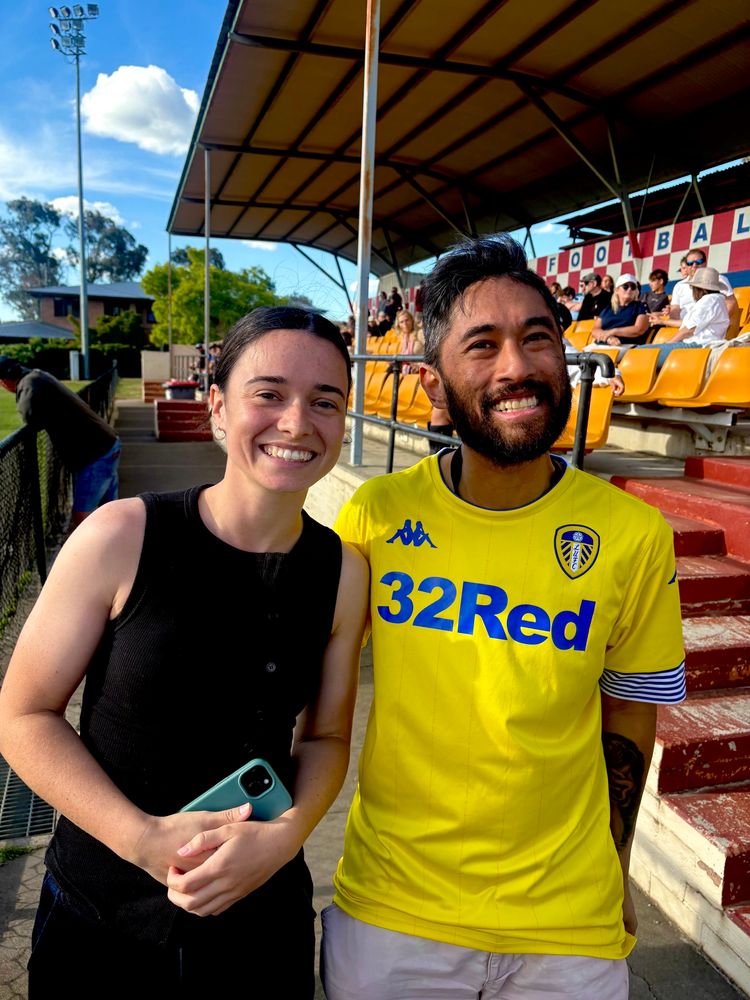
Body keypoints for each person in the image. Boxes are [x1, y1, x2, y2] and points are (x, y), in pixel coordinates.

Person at [321, 235, 685, 1000]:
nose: (516, 366)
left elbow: (629, 712)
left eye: (537, 337)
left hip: (569, 929)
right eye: (482, 345)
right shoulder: (377, 514)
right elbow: (305, 687)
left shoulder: (633, 534)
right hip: (395, 910)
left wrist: (615, 868)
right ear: (432, 385)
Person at [0, 308, 368, 998]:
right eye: (269, 394)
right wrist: (139, 837)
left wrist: (288, 836)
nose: (297, 422)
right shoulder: (122, 535)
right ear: (219, 409)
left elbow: (326, 735)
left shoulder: (343, 572)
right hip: (100, 917)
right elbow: (21, 715)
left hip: (259, 921)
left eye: (326, 402)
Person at [0, 356, 120, 529]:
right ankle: (118, 548)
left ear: (4, 382)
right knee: (110, 511)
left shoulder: (30, 382)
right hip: (106, 444)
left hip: (96, 454)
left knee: (83, 516)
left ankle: (92, 553)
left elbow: (29, 415)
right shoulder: (37, 375)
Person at [639, 266, 730, 367]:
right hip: (701, 346)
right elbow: (689, 324)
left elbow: (688, 330)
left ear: (698, 288)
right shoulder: (716, 300)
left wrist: (668, 344)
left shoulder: (709, 300)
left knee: (638, 353)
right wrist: (662, 321)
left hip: (697, 347)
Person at [650, 248, 738, 328]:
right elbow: (675, 310)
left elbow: (731, 303)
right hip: (684, 328)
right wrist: (678, 326)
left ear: (705, 263)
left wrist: (715, 323)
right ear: (687, 266)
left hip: (709, 328)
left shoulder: (718, 279)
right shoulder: (679, 285)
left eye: (699, 262)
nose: (694, 265)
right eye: (690, 263)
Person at [591, 274, 650, 346]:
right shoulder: (608, 309)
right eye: (625, 286)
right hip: (602, 344)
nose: (629, 289)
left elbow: (639, 330)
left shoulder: (641, 306)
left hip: (625, 346)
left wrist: (613, 331)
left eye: (633, 287)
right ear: (617, 290)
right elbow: (595, 330)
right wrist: (609, 338)